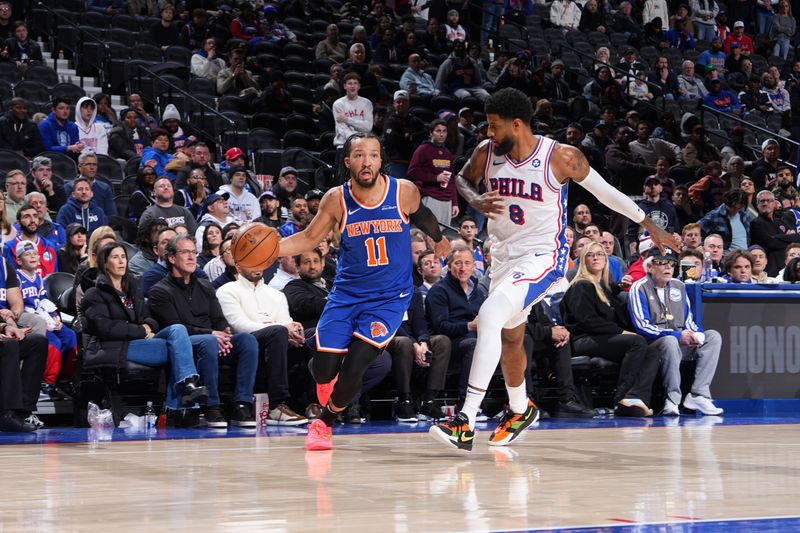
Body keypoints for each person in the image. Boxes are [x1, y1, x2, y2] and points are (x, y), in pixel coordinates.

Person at [430, 88, 679, 451]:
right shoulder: (487, 153)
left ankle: (465, 420)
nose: (488, 132)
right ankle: (519, 409)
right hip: (501, 257)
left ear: (517, 124)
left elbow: (605, 192)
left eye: (494, 126)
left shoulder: (560, 156)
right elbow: (461, 179)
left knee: (490, 314)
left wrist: (649, 224)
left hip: (542, 257)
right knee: (510, 337)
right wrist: (475, 199)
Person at [277, 132, 450, 450]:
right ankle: (327, 377)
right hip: (346, 295)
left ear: (381, 160)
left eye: (372, 154)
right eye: (358, 155)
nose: (366, 160)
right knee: (324, 370)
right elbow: (308, 238)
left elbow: (423, 216)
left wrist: (438, 240)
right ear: (348, 162)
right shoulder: (335, 198)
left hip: (389, 298)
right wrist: (272, 247)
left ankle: (324, 422)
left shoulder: (403, 192)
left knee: (356, 366)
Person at [81, 242, 210, 427]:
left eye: (123, 257)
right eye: (115, 257)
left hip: (141, 341)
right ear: (104, 262)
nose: (121, 261)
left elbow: (149, 318)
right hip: (114, 346)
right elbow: (105, 328)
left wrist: (148, 325)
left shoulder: (132, 289)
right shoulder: (95, 293)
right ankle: (180, 404)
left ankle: (187, 386)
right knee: (177, 349)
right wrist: (141, 330)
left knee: (178, 330)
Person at [148, 235, 260, 428]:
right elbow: (176, 328)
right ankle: (211, 406)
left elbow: (219, 319)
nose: (192, 257)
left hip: (212, 339)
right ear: (172, 258)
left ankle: (242, 404)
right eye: (185, 252)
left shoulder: (205, 286)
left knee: (247, 341)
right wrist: (212, 334)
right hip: (183, 345)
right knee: (207, 342)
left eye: (194, 252)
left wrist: (224, 333)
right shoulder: (159, 291)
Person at [562, 243, 659, 416]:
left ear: (606, 259)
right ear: (584, 260)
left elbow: (609, 304)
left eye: (600, 254)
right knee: (636, 342)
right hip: (583, 339)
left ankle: (636, 397)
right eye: (591, 255)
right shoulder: (581, 285)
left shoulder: (603, 287)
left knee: (652, 350)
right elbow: (588, 321)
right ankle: (622, 399)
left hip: (602, 338)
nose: (596, 258)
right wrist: (621, 332)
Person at [628, 250, 723, 415]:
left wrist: (695, 334)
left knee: (713, 337)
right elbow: (642, 326)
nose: (668, 268)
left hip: (681, 340)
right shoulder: (639, 287)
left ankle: (698, 394)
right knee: (670, 341)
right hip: (654, 344)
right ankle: (672, 399)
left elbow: (687, 320)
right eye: (662, 263)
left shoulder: (679, 286)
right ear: (649, 267)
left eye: (671, 264)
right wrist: (678, 336)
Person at [216, 259, 309, 426]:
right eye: (252, 262)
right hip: (244, 344)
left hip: (278, 341)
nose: (257, 266)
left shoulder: (277, 295)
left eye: (260, 262)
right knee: (278, 332)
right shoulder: (226, 291)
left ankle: (314, 403)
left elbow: (285, 322)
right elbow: (239, 325)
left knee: (313, 335)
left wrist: (294, 332)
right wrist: (281, 328)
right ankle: (275, 406)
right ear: (238, 266)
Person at [15, 240, 78, 401]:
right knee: (53, 343)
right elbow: (20, 308)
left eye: (35, 253)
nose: (33, 256)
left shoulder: (38, 277)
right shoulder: (16, 278)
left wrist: (55, 318)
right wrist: (45, 321)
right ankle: (46, 384)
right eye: (28, 254)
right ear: (19, 260)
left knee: (69, 336)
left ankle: (64, 379)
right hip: (29, 320)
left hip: (44, 316)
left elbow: (44, 302)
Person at [407, 119, 457, 226]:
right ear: (431, 133)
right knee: (427, 233)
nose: (441, 134)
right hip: (430, 197)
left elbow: (452, 180)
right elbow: (412, 172)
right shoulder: (423, 149)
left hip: (447, 200)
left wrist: (455, 203)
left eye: (444, 131)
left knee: (442, 236)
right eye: (438, 131)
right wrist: (435, 178)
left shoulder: (447, 153)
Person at [749, 190, 800, 277]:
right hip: (769, 271)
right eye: (762, 201)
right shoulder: (755, 224)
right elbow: (770, 243)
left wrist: (776, 237)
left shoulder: (781, 222)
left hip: (786, 270)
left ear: (774, 204)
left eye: (769, 200)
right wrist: (786, 238)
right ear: (757, 205)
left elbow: (797, 238)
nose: (765, 203)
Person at [5, 204, 57, 277]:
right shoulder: (10, 247)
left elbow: (55, 277)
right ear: (18, 223)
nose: (32, 220)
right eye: (27, 217)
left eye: (35, 216)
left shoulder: (49, 246)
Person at [65, 151, 117, 217]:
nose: (92, 168)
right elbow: (66, 214)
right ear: (79, 167)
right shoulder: (69, 187)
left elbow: (111, 214)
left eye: (94, 164)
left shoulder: (105, 188)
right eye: (88, 164)